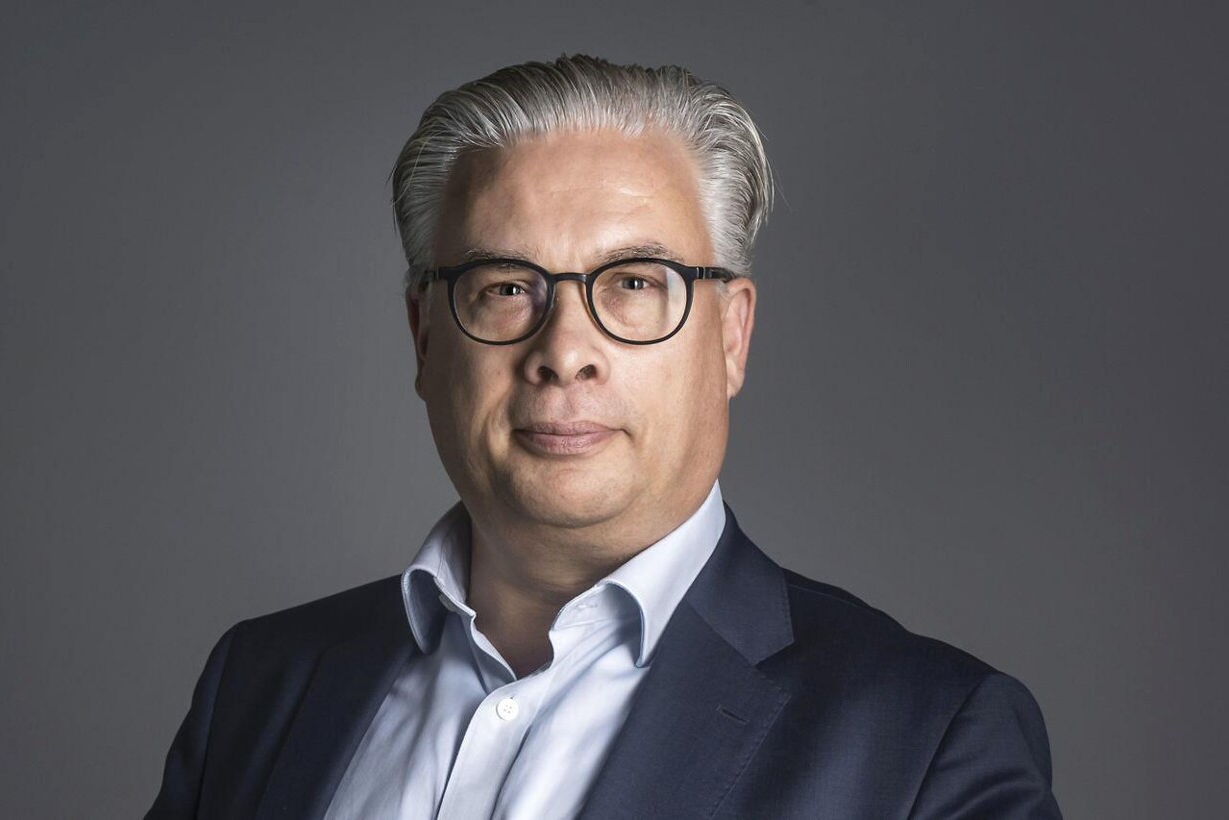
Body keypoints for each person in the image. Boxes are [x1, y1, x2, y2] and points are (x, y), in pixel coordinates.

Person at [147, 55, 1061, 819]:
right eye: (507, 288)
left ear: (732, 336)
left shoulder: (927, 742)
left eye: (632, 284)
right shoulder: (257, 686)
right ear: (425, 339)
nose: (565, 353)